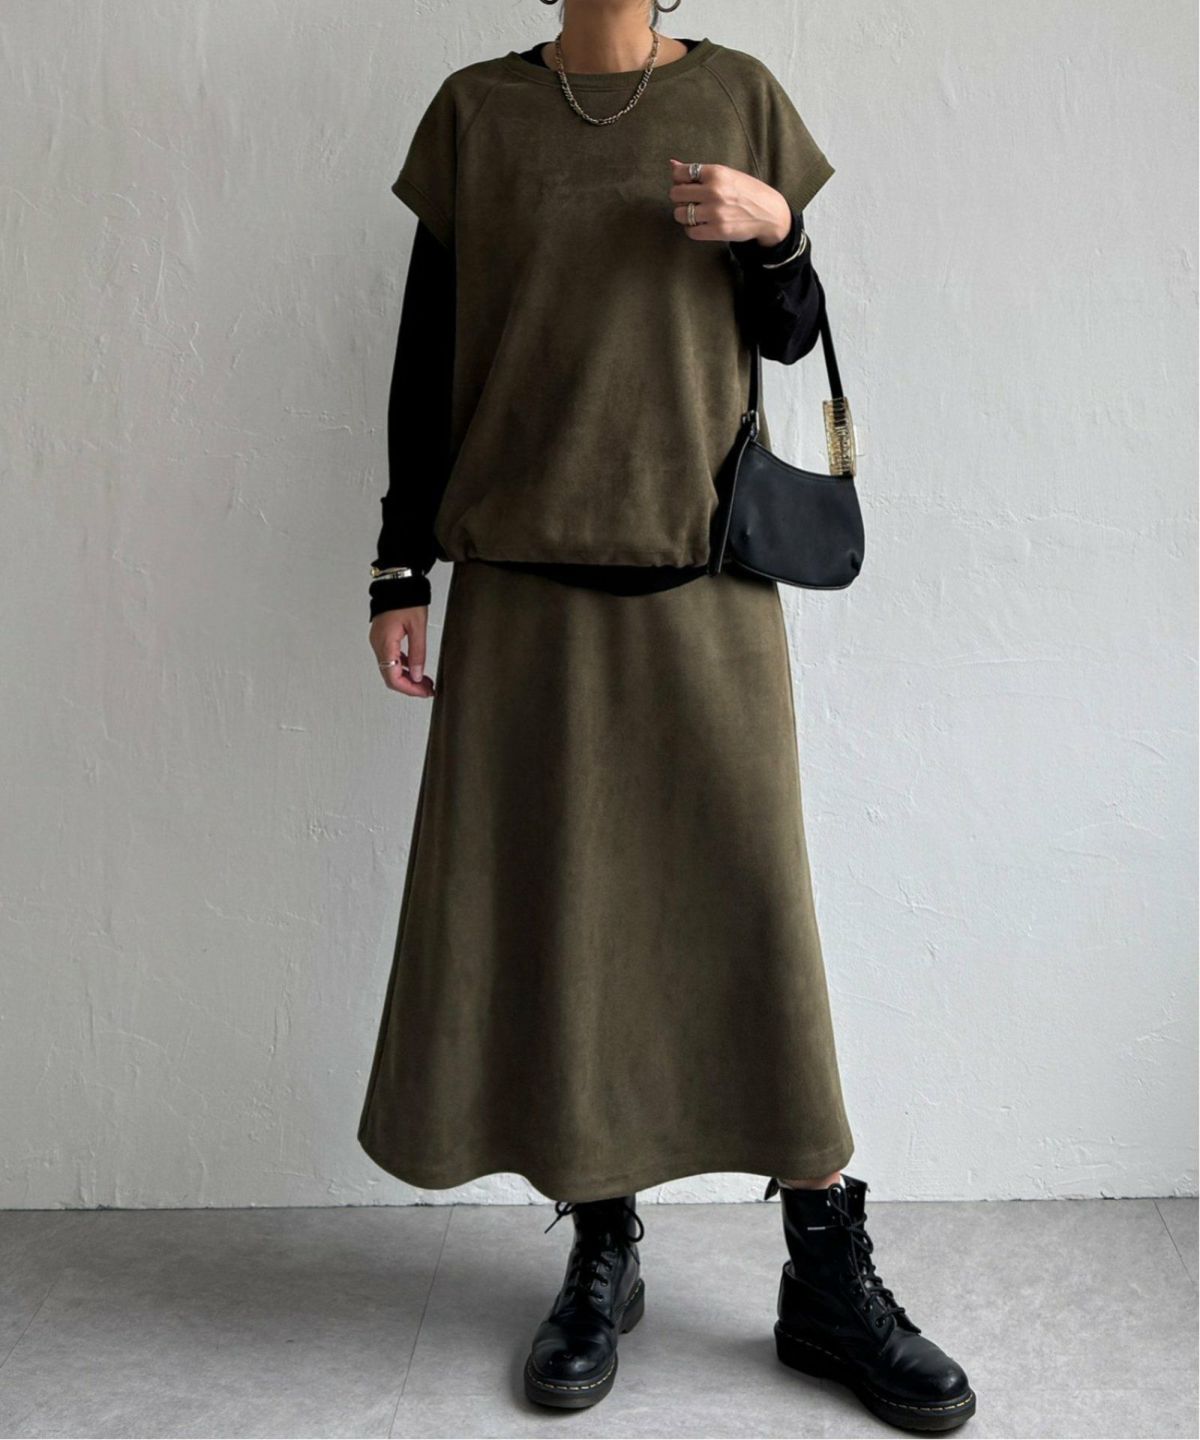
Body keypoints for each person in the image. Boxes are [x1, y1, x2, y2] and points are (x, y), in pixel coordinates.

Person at [357, 2, 975, 1430]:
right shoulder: (476, 115)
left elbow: (791, 338)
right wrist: (399, 566)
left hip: (707, 581)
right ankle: (602, 1247)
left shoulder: (742, 96)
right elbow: (424, 359)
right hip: (523, 591)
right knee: (570, 924)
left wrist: (780, 234)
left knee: (756, 911)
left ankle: (825, 1271)